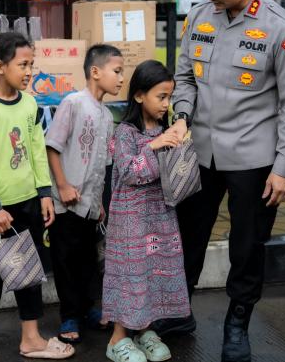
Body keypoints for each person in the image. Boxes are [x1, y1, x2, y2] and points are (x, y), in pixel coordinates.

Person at [169, 0, 285, 362]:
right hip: (200, 153)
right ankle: (177, 311)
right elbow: (185, 77)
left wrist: (284, 167)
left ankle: (237, 322)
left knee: (246, 247)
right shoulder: (197, 18)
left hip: (254, 160)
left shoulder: (282, 28)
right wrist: (181, 114)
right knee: (186, 238)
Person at [0, 32, 74, 360]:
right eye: (22, 64)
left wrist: (45, 194)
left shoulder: (30, 104)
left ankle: (31, 338)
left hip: (29, 202)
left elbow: (38, 152)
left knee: (30, 269)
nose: (29, 71)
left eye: (32, 65)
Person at [103, 60, 191, 362]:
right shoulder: (125, 131)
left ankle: (145, 330)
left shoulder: (166, 129)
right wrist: (155, 146)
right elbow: (129, 172)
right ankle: (117, 338)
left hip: (160, 216)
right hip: (130, 220)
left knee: (153, 273)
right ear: (140, 96)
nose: (166, 104)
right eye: (161, 97)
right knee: (130, 276)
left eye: (169, 97)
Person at [46, 44, 124, 344]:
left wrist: (100, 202)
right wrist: (63, 185)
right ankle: (69, 315)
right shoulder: (74, 103)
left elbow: (102, 165)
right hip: (66, 203)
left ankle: (89, 308)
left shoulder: (106, 115)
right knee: (65, 259)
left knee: (88, 259)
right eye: (116, 71)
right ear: (95, 71)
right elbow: (53, 146)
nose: (120, 79)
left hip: (90, 205)